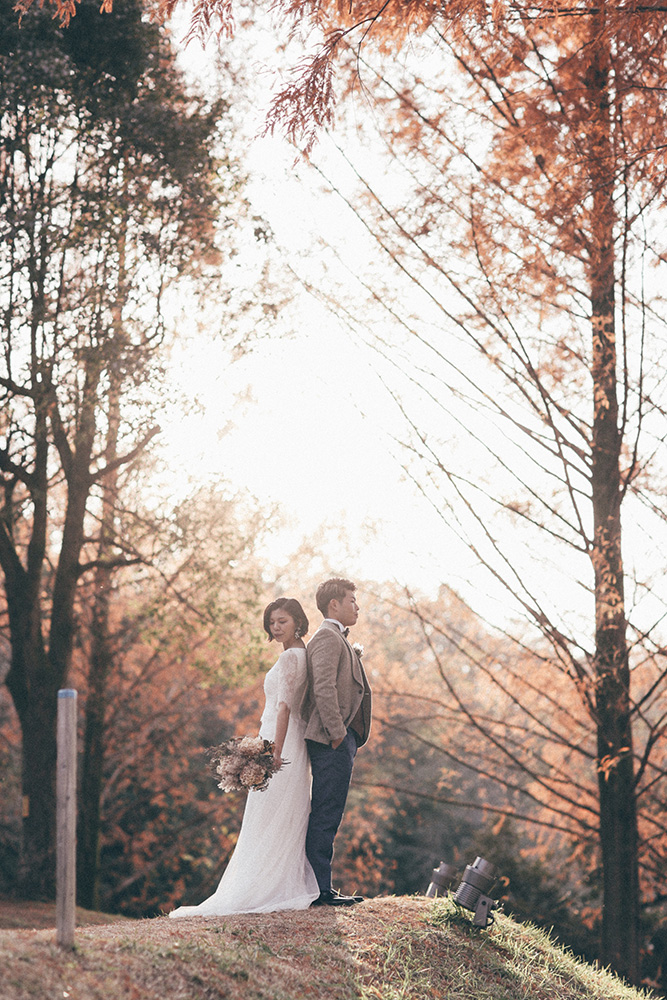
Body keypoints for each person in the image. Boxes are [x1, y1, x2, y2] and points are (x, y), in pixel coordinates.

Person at [169, 598, 319, 917]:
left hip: (283, 739)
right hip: (280, 736)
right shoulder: (298, 654)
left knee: (270, 810)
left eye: (283, 621)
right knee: (271, 810)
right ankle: (264, 881)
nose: (276, 627)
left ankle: (265, 886)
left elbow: (284, 707)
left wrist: (274, 751)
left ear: (298, 623)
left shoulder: (293, 657)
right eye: (272, 622)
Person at [301, 578, 372, 906]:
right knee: (326, 812)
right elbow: (324, 688)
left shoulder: (335, 638)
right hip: (331, 739)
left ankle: (319, 886)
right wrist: (336, 733)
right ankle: (318, 890)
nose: (357, 606)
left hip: (339, 739)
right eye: (352, 601)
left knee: (330, 810)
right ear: (334, 605)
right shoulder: (328, 638)